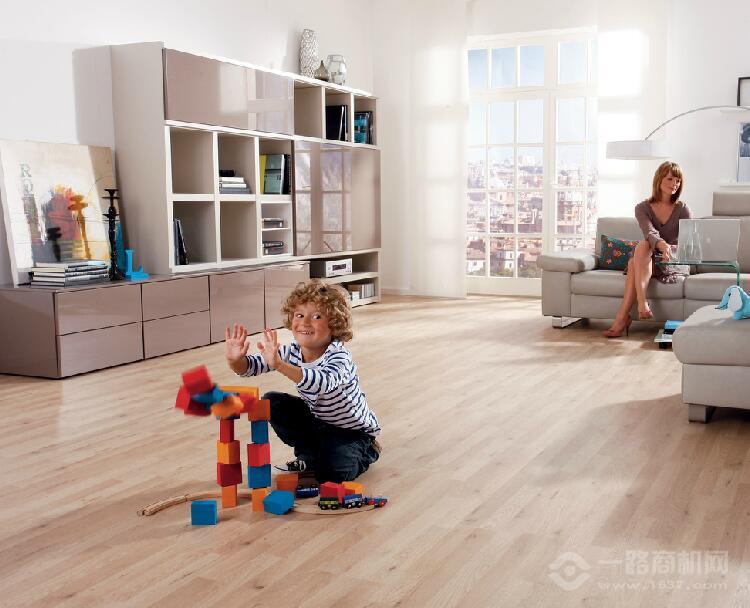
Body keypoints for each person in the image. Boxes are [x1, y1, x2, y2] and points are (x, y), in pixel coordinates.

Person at [225, 279, 380, 483]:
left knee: (332, 475)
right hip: (318, 422)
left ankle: (367, 450)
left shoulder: (339, 356)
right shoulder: (292, 351)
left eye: (317, 316)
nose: (305, 322)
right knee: (272, 401)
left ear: (334, 325)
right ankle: (309, 454)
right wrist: (235, 361)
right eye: (299, 315)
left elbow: (321, 383)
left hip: (351, 432)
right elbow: (251, 367)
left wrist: (280, 365)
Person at [603, 161, 692, 338]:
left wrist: (669, 250)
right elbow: (649, 232)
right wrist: (661, 244)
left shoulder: (682, 209)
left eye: (678, 180)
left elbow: (688, 241)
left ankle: (622, 317)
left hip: (672, 260)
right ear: (659, 179)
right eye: (670, 179)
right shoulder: (642, 208)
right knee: (644, 245)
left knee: (634, 263)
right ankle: (641, 303)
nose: (674, 184)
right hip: (649, 258)